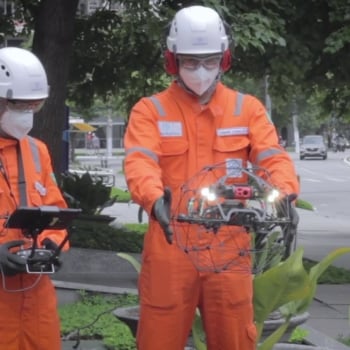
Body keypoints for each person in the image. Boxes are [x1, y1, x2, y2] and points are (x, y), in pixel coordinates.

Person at [123, 5, 300, 350]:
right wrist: (154, 198)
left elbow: (272, 156)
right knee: (159, 337)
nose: (200, 70)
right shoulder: (151, 110)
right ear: (173, 62)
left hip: (229, 246)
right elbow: (140, 161)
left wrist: (285, 193)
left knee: (234, 338)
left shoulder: (246, 108)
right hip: (171, 241)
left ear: (225, 59)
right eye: (190, 62)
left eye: (209, 61)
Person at [0, 47, 69, 350]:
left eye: (33, 107)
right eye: (19, 106)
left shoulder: (36, 151)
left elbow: (56, 210)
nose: (26, 114)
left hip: (36, 291)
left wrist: (54, 241)